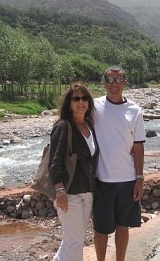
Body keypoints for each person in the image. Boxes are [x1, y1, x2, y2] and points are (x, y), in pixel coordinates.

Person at [93, 66, 146, 261]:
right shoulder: (94, 106)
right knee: (101, 229)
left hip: (127, 180)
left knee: (123, 227)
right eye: (110, 79)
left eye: (119, 80)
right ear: (104, 82)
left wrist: (140, 178)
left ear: (125, 83)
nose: (114, 84)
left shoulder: (135, 111)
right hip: (101, 180)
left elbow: (139, 146)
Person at [49, 82, 99, 261]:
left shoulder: (89, 126)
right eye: (76, 98)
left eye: (84, 98)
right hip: (69, 195)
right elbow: (54, 162)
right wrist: (60, 190)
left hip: (87, 193)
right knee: (75, 243)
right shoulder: (63, 126)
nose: (81, 102)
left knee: (72, 239)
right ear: (69, 103)